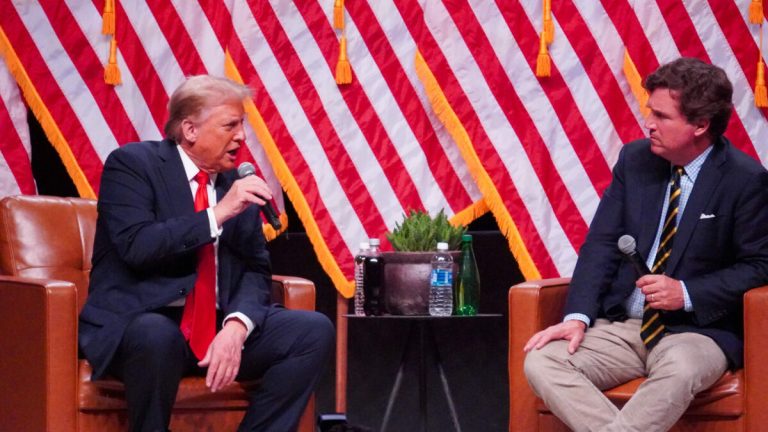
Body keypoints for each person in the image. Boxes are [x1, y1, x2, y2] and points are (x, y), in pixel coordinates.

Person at [523, 57, 768, 431]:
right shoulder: (635, 160)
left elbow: (759, 265)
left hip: (696, 332)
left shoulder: (745, 179)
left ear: (700, 125)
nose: (649, 123)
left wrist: (685, 292)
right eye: (651, 111)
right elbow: (602, 244)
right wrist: (577, 318)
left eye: (661, 116)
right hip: (623, 325)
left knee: (680, 369)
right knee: (543, 361)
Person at [78, 75, 334, 432]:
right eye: (230, 125)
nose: (242, 136)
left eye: (242, 125)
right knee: (156, 334)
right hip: (143, 324)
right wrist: (217, 214)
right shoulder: (134, 165)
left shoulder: (235, 186)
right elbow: (137, 245)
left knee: (312, 331)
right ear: (190, 130)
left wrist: (237, 326)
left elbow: (254, 270)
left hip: (214, 328)